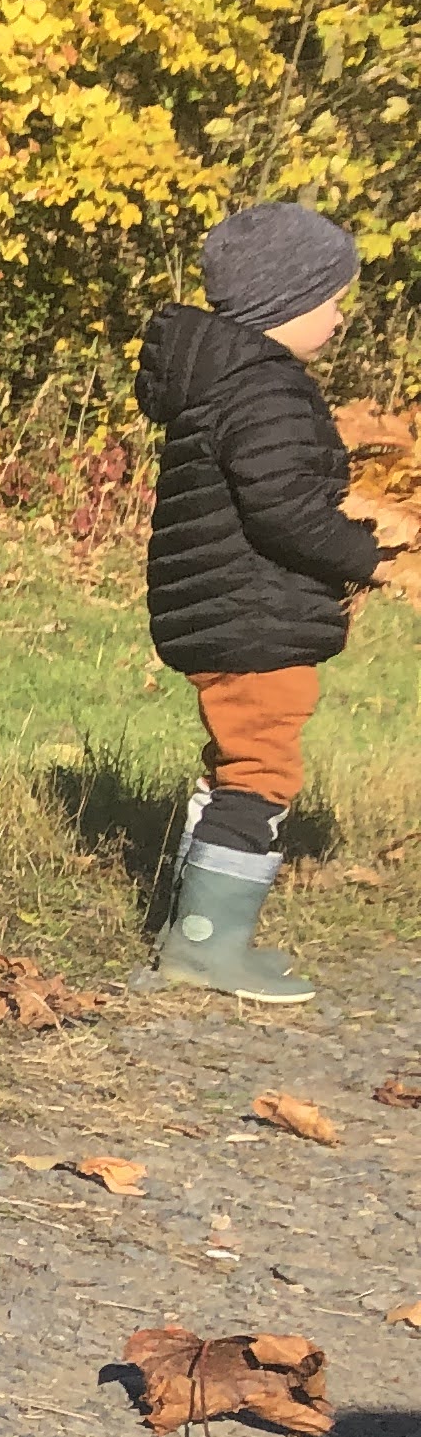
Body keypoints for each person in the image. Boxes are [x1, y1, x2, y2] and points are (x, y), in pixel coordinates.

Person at [138, 201, 406, 1003]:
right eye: (331, 299)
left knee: (237, 765)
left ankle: (195, 928)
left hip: (230, 609)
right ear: (285, 302)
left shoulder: (227, 382)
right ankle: (205, 948)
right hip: (254, 615)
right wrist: (371, 559)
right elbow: (285, 511)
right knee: (261, 770)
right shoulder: (266, 389)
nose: (340, 316)